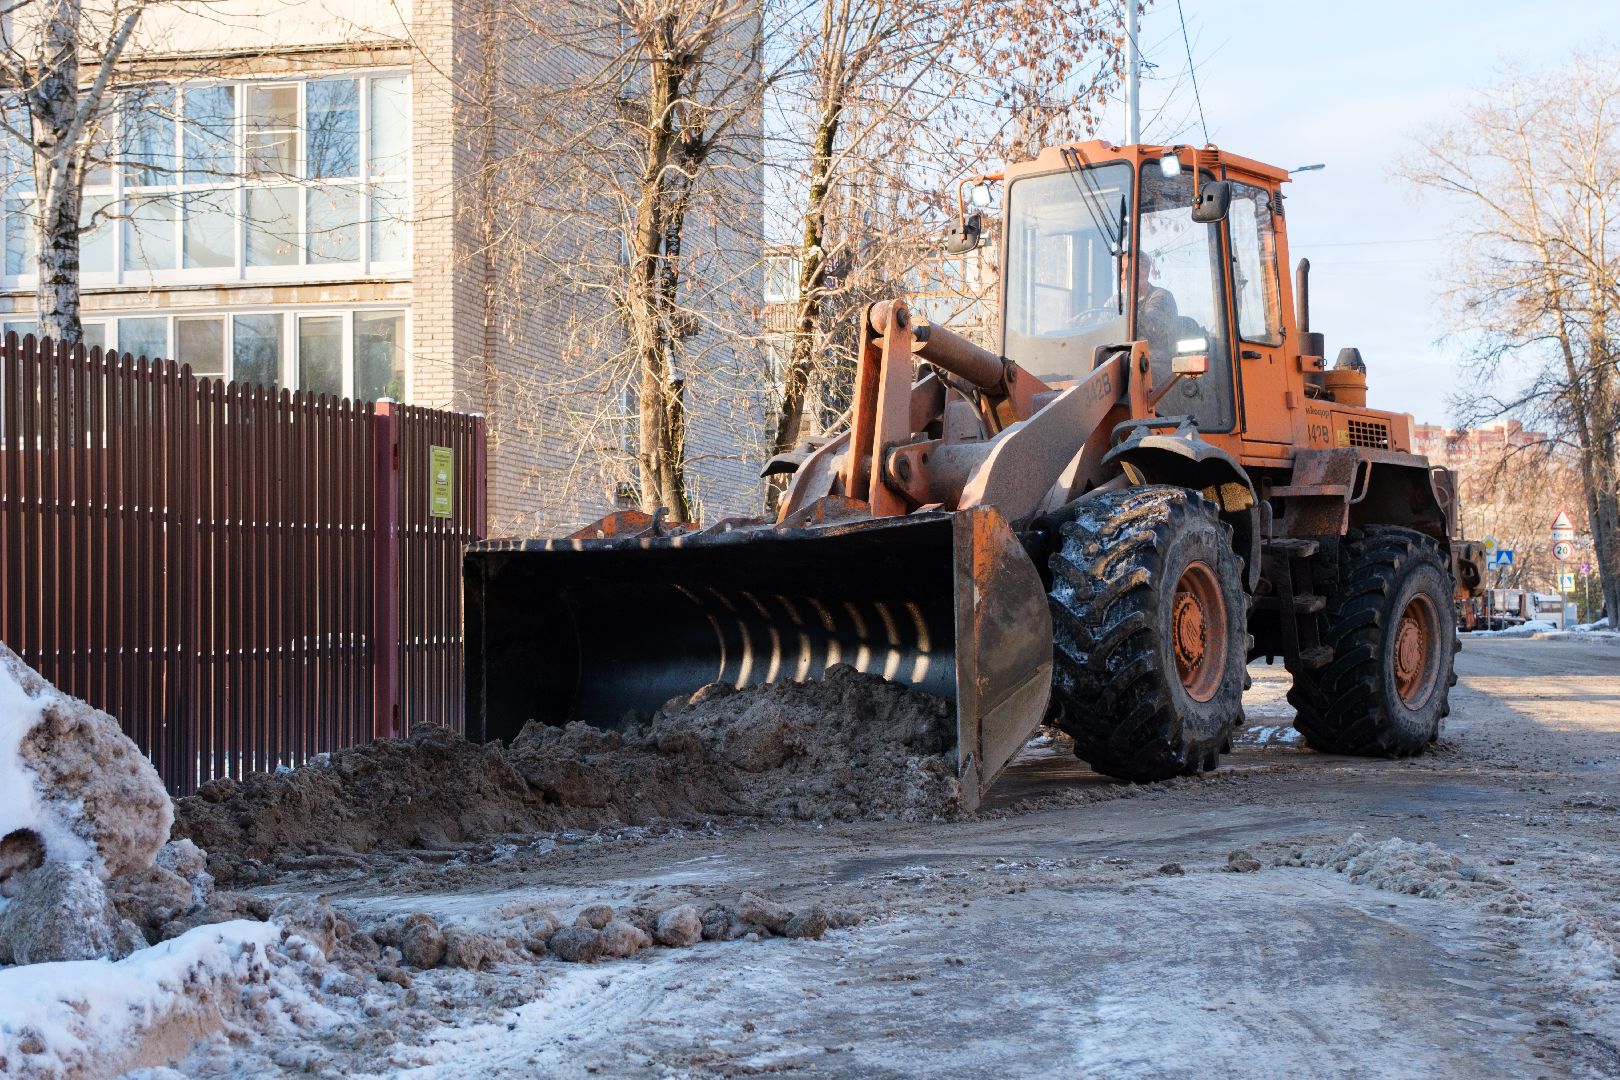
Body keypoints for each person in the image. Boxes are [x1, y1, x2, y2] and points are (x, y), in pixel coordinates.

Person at [1131, 250, 1180, 361]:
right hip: (1123, 356)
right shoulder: (1114, 302)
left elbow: (1152, 326)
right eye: (1122, 271)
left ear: (1146, 271)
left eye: (1129, 270)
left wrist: (1123, 314)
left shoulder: (1162, 296)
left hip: (1155, 360)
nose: (1124, 276)